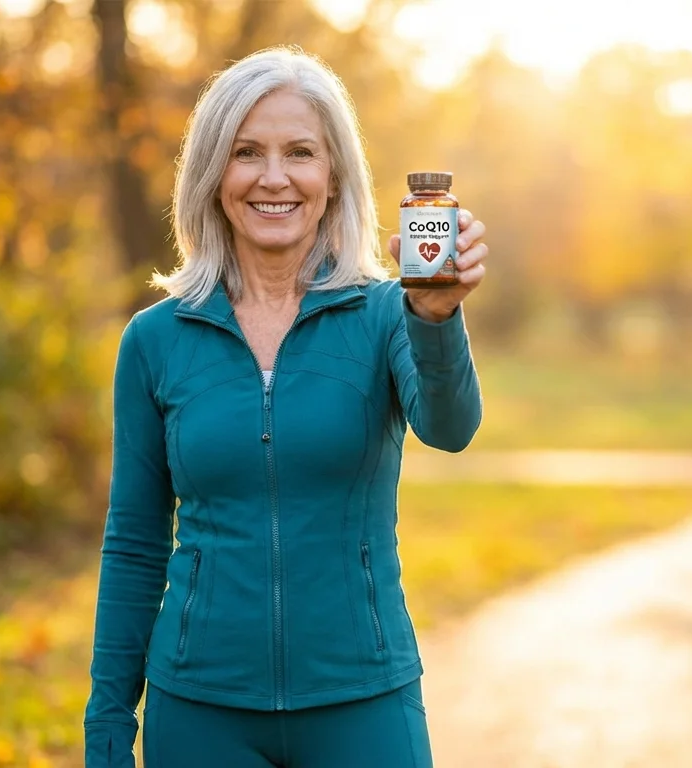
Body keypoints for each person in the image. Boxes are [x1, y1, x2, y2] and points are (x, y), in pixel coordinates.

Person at [83, 46, 487, 767]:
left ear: (333, 177)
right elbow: (135, 543)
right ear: (212, 175)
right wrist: (109, 726)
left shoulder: (388, 314)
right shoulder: (154, 340)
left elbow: (450, 430)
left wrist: (436, 317)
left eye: (300, 152)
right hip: (200, 713)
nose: (274, 178)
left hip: (364, 701)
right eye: (246, 153)